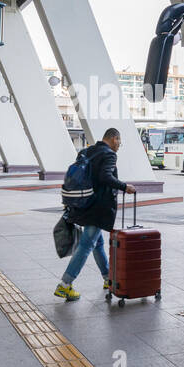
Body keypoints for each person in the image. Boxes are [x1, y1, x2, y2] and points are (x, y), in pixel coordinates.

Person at [55, 128, 136, 301]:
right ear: (114, 139)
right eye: (119, 141)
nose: (120, 145)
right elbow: (105, 177)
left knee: (97, 243)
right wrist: (125, 187)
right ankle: (65, 285)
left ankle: (108, 278)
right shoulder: (109, 155)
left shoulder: (88, 151)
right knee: (86, 245)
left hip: (84, 204)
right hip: (98, 208)